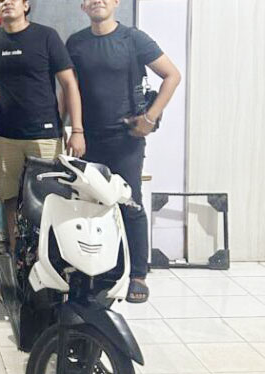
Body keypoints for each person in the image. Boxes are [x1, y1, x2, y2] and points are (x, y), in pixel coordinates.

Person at [67, 0, 181, 303]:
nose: (97, 1)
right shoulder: (75, 43)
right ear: (83, 6)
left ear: (116, 2)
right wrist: (73, 130)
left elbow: (172, 75)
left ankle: (138, 275)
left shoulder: (133, 39)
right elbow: (69, 89)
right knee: (90, 206)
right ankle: (96, 271)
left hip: (126, 139)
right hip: (88, 139)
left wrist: (150, 118)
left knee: (130, 204)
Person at [0, 0, 85, 252]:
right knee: (9, 199)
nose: (6, 3)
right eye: (0, 1)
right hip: (5, 136)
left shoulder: (46, 36)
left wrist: (77, 130)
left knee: (48, 200)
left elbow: (69, 84)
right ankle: (18, 261)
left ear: (25, 6)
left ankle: (48, 260)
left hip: (44, 135)